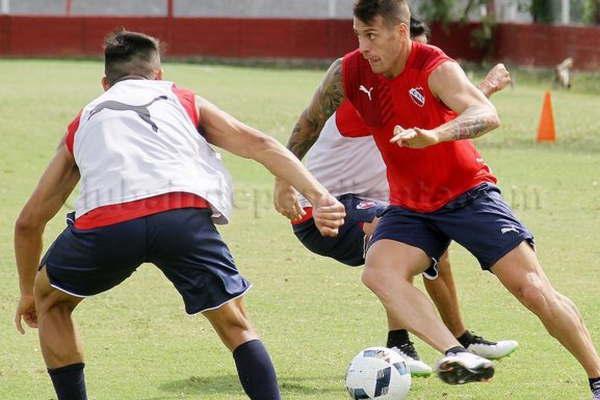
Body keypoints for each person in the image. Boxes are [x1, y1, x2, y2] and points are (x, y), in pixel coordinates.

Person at [276, 0, 600, 396]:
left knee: (533, 290)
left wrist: (436, 135)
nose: (363, 46)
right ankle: (456, 351)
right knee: (379, 273)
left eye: (372, 35)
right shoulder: (348, 71)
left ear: (400, 32)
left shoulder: (435, 67)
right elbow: (309, 121)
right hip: (409, 206)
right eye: (358, 35)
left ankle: (597, 376)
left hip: (468, 195)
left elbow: (485, 113)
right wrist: (284, 177)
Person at [13, 30, 345, 400]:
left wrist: (29, 293)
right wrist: (320, 195)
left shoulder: (83, 121)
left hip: (108, 223)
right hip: (181, 216)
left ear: (105, 84)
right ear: (158, 74)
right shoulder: (180, 97)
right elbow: (260, 144)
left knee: (53, 302)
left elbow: (29, 222)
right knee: (235, 324)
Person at [274, 17, 516, 377]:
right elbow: (425, 120)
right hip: (323, 211)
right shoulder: (368, 95)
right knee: (397, 229)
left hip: (364, 203)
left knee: (429, 239)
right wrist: (485, 90)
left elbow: (435, 120)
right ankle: (401, 343)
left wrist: (482, 93)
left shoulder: (410, 85)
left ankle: (460, 339)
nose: (416, 63)